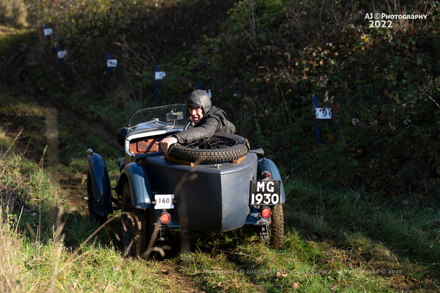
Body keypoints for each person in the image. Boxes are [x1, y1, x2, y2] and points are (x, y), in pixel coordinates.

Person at [157, 89, 236, 153]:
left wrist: (176, 138)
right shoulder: (210, 115)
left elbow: (204, 130)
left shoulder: (213, 119)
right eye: (191, 109)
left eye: (197, 109)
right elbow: (232, 127)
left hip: (220, 160)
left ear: (205, 108)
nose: (192, 113)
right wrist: (199, 121)